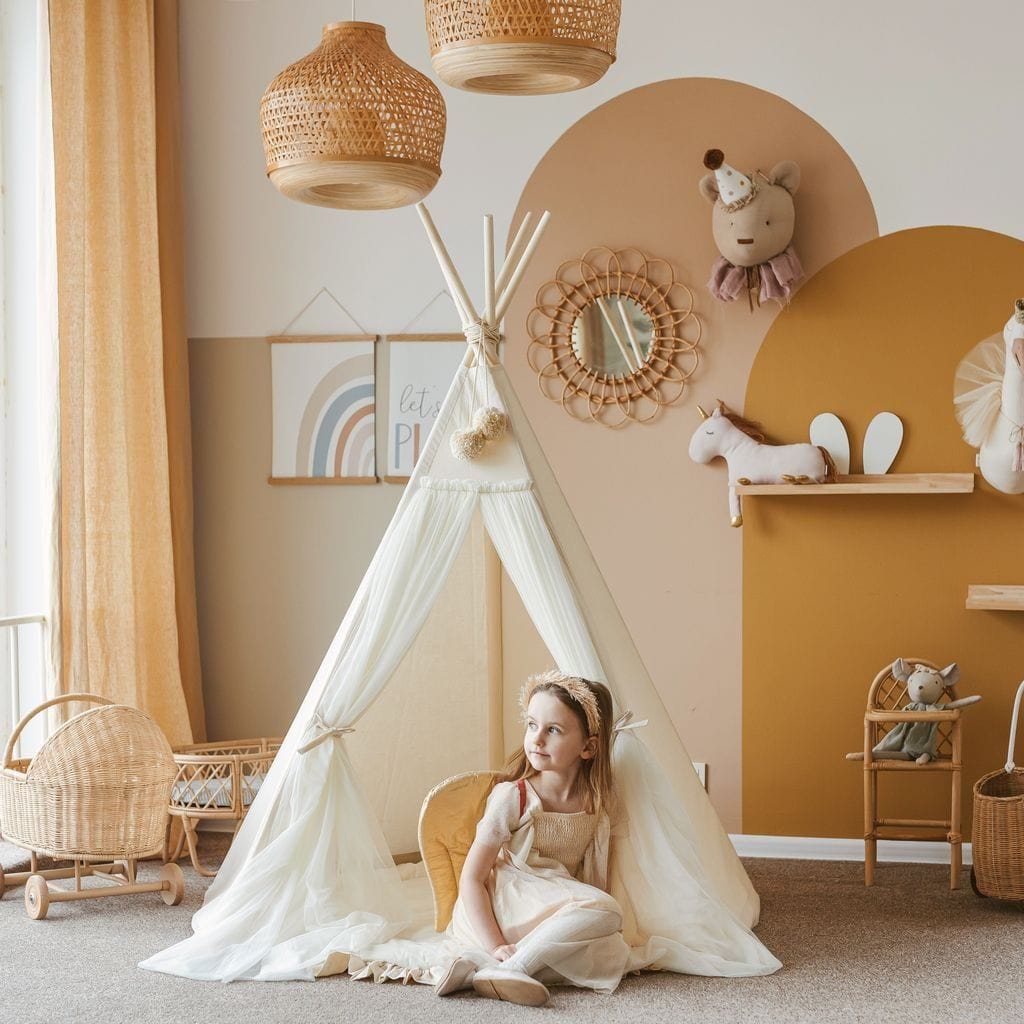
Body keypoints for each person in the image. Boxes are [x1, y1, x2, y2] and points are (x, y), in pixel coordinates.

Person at [435, 670, 630, 1006]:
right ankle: (512, 963)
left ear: (588, 747)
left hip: (545, 911)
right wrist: (495, 942)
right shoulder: (514, 796)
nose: (536, 739)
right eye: (531, 725)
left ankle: (483, 968)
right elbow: (472, 878)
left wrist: (590, 926)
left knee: (613, 950)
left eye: (553, 730)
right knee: (608, 911)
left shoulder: (598, 804)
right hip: (504, 904)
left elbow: (595, 884)